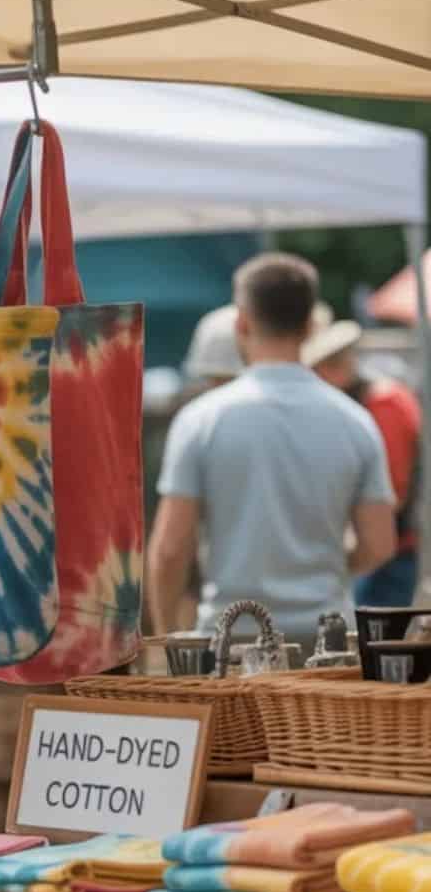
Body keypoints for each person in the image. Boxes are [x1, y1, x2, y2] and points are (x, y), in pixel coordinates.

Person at [146, 254, 397, 653]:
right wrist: (325, 572)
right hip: (329, 645)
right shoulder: (356, 421)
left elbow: (171, 547)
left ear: (241, 323)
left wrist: (164, 638)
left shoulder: (201, 420)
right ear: (312, 326)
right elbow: (381, 541)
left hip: (229, 641)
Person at [303, 318, 422, 608]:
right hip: (377, 551)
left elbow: (391, 492)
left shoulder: (383, 404)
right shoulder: (372, 402)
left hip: (386, 557)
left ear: (329, 367)